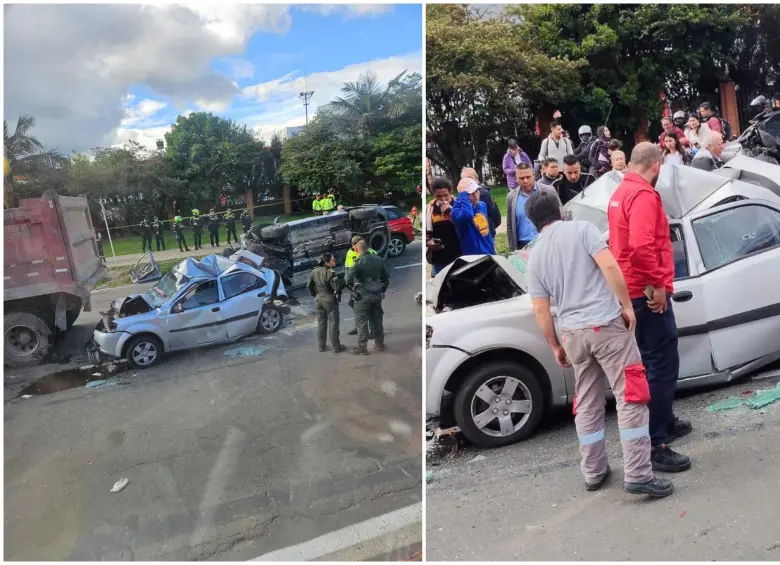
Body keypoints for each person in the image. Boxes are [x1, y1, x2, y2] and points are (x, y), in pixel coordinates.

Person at [524, 190, 673, 497]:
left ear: (533, 222)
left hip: (574, 335)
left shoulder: (535, 256)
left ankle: (593, 472)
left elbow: (540, 308)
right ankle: (639, 473)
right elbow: (609, 266)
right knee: (631, 396)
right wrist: (627, 306)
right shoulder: (582, 229)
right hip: (605, 325)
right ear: (560, 209)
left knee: (588, 403)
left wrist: (555, 346)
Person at [607, 142, 693, 474]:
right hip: (646, 291)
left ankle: (664, 421)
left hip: (631, 289)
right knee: (662, 363)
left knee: (651, 361)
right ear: (655, 166)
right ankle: (656, 442)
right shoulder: (643, 195)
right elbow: (643, 246)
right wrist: (657, 284)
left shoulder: (621, 192)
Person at [346, 239, 390, 355]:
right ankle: (379, 344)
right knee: (377, 320)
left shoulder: (358, 262)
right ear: (368, 247)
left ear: (356, 249)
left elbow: (347, 279)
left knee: (361, 322)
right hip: (376, 295)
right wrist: (382, 289)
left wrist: (353, 287)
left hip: (362, 296)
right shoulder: (379, 260)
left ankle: (362, 348)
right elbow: (386, 279)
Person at [307, 252, 346, 353]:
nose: (335, 261)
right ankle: (336, 347)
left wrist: (315, 295)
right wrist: (343, 281)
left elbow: (309, 286)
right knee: (333, 324)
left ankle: (321, 346)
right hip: (330, 300)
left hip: (319, 299)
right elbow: (336, 287)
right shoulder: (330, 273)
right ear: (327, 262)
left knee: (321, 323)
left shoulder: (314, 271)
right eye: (333, 260)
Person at [426, 177, 462, 276]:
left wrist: (450, 211)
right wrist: (428, 241)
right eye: (439, 196)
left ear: (450, 192)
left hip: (459, 253)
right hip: (440, 256)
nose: (442, 199)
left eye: (445, 195)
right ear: (434, 195)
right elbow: (426, 232)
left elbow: (465, 226)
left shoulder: (458, 205)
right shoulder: (429, 209)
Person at [451, 178, 495, 255]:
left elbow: (486, 231)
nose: (475, 196)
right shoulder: (456, 211)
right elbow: (467, 215)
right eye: (470, 193)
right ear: (463, 195)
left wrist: (491, 249)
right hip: (472, 256)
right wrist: (463, 193)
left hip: (488, 252)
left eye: (477, 191)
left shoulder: (482, 205)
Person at [345, 235, 378, 337]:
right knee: (355, 307)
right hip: (356, 286)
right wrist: (351, 285)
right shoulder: (350, 253)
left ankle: (373, 331)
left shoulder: (371, 252)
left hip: (368, 286)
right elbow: (347, 269)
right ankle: (358, 327)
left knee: (371, 310)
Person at [506, 162, 539, 251]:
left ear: (533, 175)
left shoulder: (547, 191)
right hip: (522, 245)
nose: (525, 181)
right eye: (521, 178)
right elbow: (510, 226)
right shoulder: (511, 197)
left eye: (528, 177)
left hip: (543, 242)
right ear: (516, 179)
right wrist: (512, 248)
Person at [461, 167, 501, 237]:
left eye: (470, 178)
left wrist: (490, 228)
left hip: (486, 232)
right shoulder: (463, 197)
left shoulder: (482, 194)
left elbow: (494, 214)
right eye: (465, 180)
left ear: (477, 179)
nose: (468, 182)